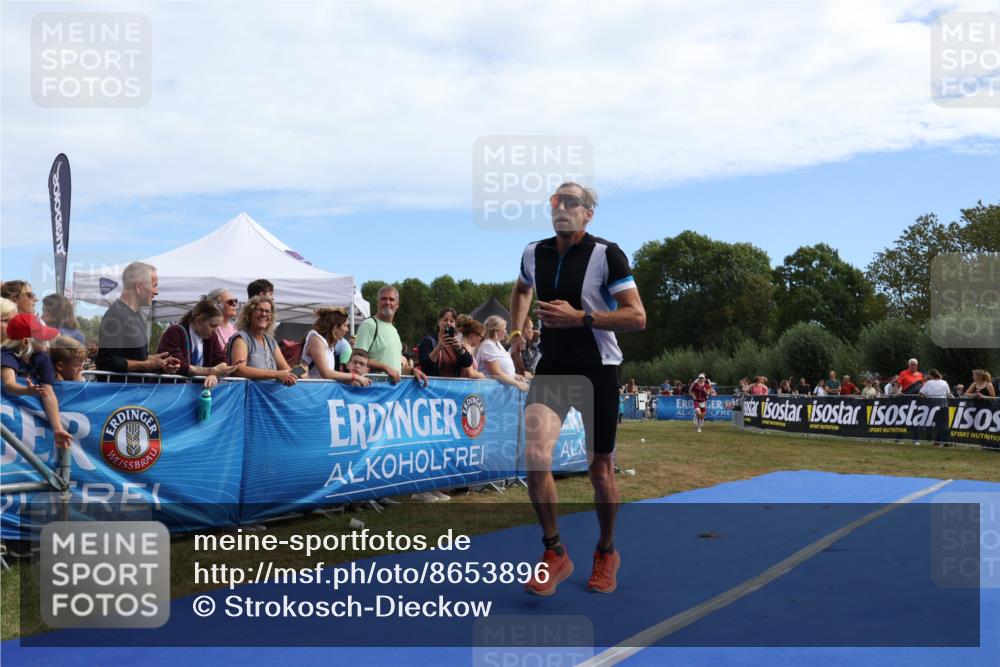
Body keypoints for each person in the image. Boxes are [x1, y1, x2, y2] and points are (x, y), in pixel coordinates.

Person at [508, 182, 646, 596]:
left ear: (588, 213)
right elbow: (520, 289)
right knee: (534, 456)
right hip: (554, 369)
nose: (561, 207)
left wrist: (580, 317)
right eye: (555, 200)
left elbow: (636, 317)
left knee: (599, 471)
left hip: (598, 370)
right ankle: (554, 552)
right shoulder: (535, 251)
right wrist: (517, 332)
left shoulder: (607, 255)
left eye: (571, 202)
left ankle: (606, 552)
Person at [96, 262, 182, 376]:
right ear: (139, 286)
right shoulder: (116, 315)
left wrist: (159, 362)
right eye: (154, 285)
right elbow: (107, 362)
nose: (156, 292)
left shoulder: (137, 316)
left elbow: (133, 356)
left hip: (133, 391)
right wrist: (149, 364)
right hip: (121, 392)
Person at [1, 311, 72, 448]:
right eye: (41, 338)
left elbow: (48, 391)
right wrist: (26, 390)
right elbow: (9, 385)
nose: (47, 341)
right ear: (25, 342)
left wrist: (57, 428)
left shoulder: (41, 356)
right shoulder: (7, 357)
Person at [353, 285, 427, 385]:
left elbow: (394, 368)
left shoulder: (394, 330)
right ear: (378, 302)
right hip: (373, 391)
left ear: (397, 304)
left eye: (391, 299)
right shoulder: (369, 324)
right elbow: (356, 360)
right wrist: (385, 367)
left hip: (390, 394)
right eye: (384, 299)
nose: (388, 302)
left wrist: (412, 371)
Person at [157, 299, 239, 389]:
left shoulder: (212, 337)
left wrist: (213, 375)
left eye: (217, 326)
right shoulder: (175, 332)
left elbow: (223, 361)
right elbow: (180, 366)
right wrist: (212, 371)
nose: (215, 331)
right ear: (198, 320)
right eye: (212, 325)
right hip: (170, 391)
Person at [228, 295, 297, 385]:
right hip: (248, 396)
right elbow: (239, 370)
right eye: (259, 310)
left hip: (268, 397)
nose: (263, 314)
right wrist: (276, 374)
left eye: (267, 311)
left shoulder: (270, 341)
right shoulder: (241, 338)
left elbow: (285, 369)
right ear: (249, 313)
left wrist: (298, 372)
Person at [300, 306, 370, 385]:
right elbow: (326, 373)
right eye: (345, 325)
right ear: (336, 327)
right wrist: (354, 376)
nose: (347, 330)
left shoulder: (327, 343)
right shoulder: (317, 340)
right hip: (312, 391)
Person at [476, 315, 529, 391]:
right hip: (489, 390)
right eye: (504, 329)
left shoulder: (497, 343)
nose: (506, 331)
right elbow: (496, 373)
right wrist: (517, 384)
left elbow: (504, 369)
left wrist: (515, 376)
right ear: (496, 330)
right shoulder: (488, 345)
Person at [418, 308, 473, 377]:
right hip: (433, 385)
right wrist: (438, 348)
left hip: (452, 385)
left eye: (451, 321)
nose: (448, 323)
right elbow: (425, 367)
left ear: (455, 324)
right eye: (445, 320)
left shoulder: (456, 342)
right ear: (439, 322)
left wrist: (460, 348)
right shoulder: (428, 341)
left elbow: (468, 363)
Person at [457, 315, 486, 379]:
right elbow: (470, 373)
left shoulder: (464, 346)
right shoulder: (466, 347)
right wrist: (482, 376)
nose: (481, 340)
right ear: (473, 336)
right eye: (481, 337)